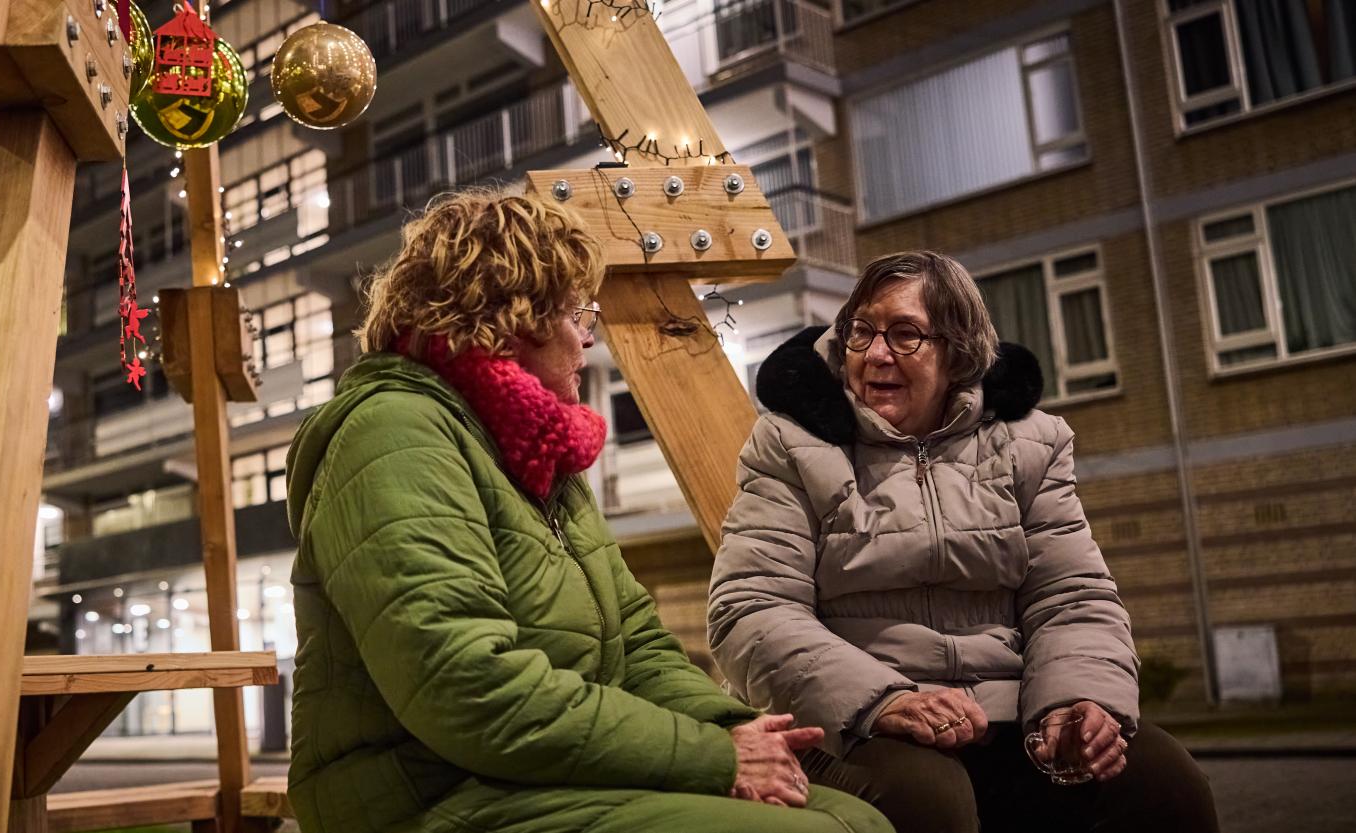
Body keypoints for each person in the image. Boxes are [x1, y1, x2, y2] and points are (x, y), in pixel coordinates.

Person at [284, 190, 890, 833]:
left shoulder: (534, 453)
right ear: (511, 317)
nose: (588, 338)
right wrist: (712, 756)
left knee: (857, 816)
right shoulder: (395, 434)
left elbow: (636, 647)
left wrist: (739, 729)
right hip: (425, 794)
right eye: (577, 313)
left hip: (529, 775)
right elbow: (466, 686)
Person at [708, 250, 1219, 832]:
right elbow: (752, 608)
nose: (876, 354)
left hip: (1011, 709)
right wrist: (885, 701)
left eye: (904, 335)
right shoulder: (792, 442)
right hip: (853, 721)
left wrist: (1077, 702)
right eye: (861, 331)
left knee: (1165, 783)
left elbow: (1072, 596)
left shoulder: (1029, 442)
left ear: (958, 351)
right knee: (930, 799)